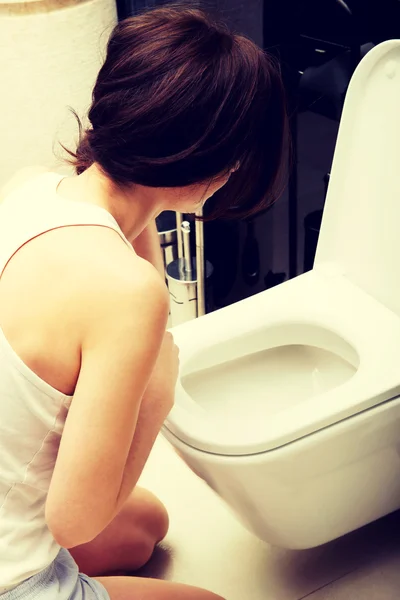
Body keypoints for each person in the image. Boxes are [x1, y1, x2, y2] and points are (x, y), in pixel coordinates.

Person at [0, 5, 287, 600]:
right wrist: (159, 387)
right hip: (12, 577)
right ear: (208, 160)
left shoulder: (35, 186)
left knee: (148, 526)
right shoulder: (124, 296)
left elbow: (127, 252)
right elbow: (76, 521)